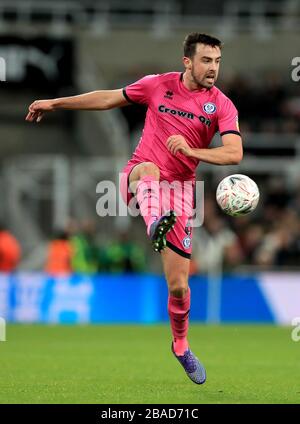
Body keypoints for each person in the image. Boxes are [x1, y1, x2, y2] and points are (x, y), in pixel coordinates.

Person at [25, 32, 243, 385]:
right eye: (206, 60)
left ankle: (181, 346)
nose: (213, 68)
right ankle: (154, 219)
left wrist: (192, 152)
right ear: (187, 61)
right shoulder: (158, 85)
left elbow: (234, 152)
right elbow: (108, 98)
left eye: (217, 61)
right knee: (149, 172)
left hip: (181, 191)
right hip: (139, 175)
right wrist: (55, 102)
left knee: (179, 288)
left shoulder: (221, 105)